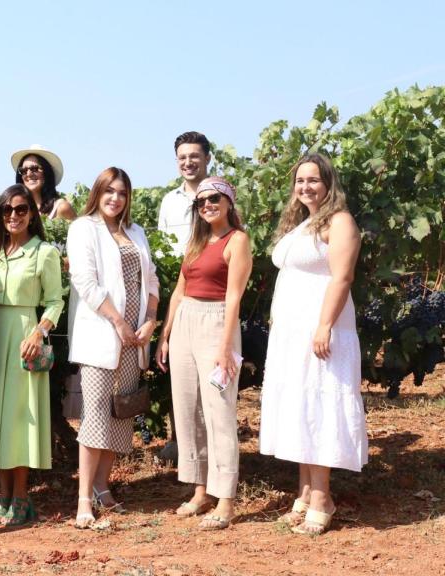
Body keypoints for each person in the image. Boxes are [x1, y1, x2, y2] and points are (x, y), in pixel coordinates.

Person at [259, 154, 366, 535]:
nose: (306, 187)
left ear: (328, 183)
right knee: (301, 405)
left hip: (320, 330)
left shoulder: (340, 221)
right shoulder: (302, 224)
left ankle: (323, 498)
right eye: (300, 181)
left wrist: (324, 326)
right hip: (291, 333)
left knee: (319, 407)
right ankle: (305, 492)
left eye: (314, 180)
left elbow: (342, 277)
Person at [156, 176, 252, 531]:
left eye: (214, 198)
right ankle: (200, 489)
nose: (207, 205)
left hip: (216, 323)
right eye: (201, 201)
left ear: (228, 202)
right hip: (184, 322)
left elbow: (233, 298)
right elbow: (179, 290)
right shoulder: (196, 241)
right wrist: (165, 334)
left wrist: (226, 347)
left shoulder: (237, 241)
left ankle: (225, 497)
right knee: (188, 408)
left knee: (219, 410)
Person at [66, 168, 159, 529]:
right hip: (102, 336)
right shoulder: (83, 228)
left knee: (121, 415)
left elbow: (150, 279)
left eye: (121, 193)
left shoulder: (135, 232)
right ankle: (84, 500)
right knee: (95, 419)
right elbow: (85, 283)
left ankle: (104, 487)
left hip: (133, 340)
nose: (115, 199)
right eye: (109, 191)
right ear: (98, 193)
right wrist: (119, 322)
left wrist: (149, 319)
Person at [0, 184, 64, 526]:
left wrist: (39, 333)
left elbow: (55, 300)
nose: (14, 216)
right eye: (7, 210)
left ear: (32, 213)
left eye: (22, 209)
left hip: (25, 337)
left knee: (18, 420)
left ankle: (21, 498)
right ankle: (4, 496)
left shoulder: (44, 253)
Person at [158, 131, 212, 256]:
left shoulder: (221, 197)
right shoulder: (169, 200)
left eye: (194, 156)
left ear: (207, 159)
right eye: (182, 158)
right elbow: (161, 246)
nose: (187, 163)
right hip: (177, 274)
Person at [10, 145, 76, 221]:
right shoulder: (17, 209)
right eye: (23, 171)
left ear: (47, 172)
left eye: (34, 169)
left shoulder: (61, 208)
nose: (29, 174)